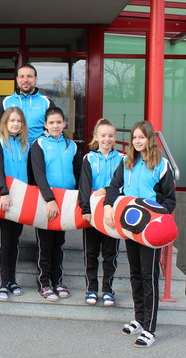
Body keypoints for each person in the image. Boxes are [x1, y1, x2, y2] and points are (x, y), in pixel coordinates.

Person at [103, 120, 176, 348]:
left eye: (141, 137)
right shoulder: (127, 163)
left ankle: (150, 328)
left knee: (149, 276)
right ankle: (139, 318)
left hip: (150, 230)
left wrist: (155, 218)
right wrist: (108, 206)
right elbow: (114, 187)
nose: (137, 141)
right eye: (134, 138)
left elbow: (169, 200)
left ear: (149, 139)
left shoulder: (161, 165)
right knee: (135, 273)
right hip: (131, 227)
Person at [30, 107, 82, 302]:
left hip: (67, 200)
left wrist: (77, 198)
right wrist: (49, 199)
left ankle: (57, 280)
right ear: (45, 125)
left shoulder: (72, 146)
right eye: (51, 122)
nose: (55, 126)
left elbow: (78, 174)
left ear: (64, 124)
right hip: (46, 200)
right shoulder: (39, 144)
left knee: (59, 243)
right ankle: (43, 283)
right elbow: (38, 174)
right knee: (45, 243)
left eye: (59, 122)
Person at [78, 118, 123, 307]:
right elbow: (84, 185)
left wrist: (106, 189)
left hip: (113, 212)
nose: (107, 139)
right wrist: (85, 209)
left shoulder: (123, 159)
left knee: (110, 253)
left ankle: (107, 289)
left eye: (111, 136)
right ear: (96, 137)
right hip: (93, 213)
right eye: (103, 135)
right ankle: (91, 288)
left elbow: (123, 185)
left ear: (115, 138)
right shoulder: (89, 158)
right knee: (91, 253)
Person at [0, 107, 29, 301]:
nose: (15, 124)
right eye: (11, 121)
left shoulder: (25, 145)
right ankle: (2, 282)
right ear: (5, 123)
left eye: (18, 121)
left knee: (14, 241)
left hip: (21, 199)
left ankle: (12, 280)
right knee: (4, 241)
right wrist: (3, 192)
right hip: (4, 199)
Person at [0, 64, 54, 145]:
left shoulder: (47, 102)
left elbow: (53, 129)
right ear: (17, 79)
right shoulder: (5, 102)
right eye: (22, 76)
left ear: (36, 79)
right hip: (13, 151)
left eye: (29, 76)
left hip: (38, 152)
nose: (25, 80)